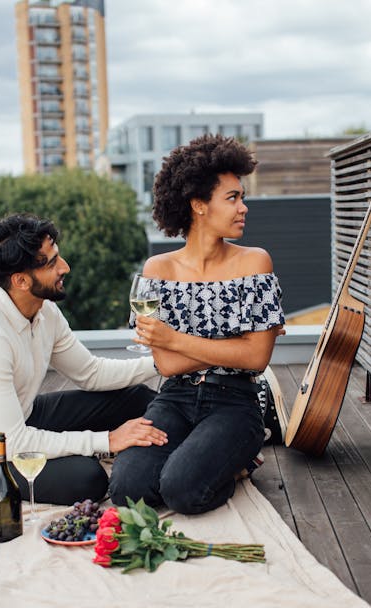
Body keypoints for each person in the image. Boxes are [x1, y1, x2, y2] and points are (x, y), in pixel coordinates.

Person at [0, 213, 167, 505]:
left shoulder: (44, 310)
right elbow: (16, 442)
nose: (64, 267)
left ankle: (174, 457)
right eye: (51, 263)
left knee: (137, 400)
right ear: (20, 280)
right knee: (87, 479)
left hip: (22, 417)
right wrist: (107, 440)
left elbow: (90, 373)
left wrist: (160, 363)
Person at [109, 134, 285, 515]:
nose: (244, 208)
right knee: (127, 490)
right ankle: (220, 463)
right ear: (198, 205)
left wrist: (174, 337)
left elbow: (256, 359)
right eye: (232, 198)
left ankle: (238, 460)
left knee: (183, 491)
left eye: (242, 197)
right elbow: (167, 365)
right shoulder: (157, 271)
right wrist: (232, 343)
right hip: (174, 397)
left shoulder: (255, 263)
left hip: (236, 402)